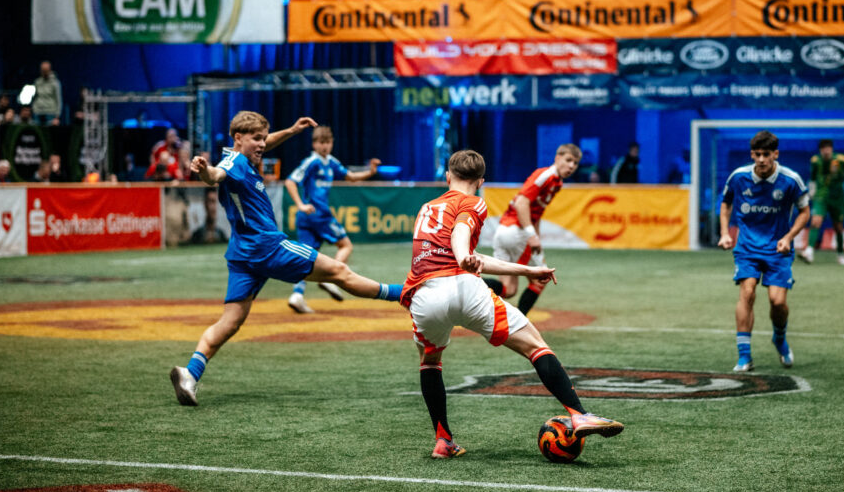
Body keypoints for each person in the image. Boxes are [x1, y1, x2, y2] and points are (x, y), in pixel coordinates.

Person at [169, 111, 402, 407]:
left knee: (230, 322)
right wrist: (204, 170)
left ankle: (190, 373)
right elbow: (215, 176)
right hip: (267, 246)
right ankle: (403, 293)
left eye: (264, 138)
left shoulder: (242, 155)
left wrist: (291, 130)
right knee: (339, 271)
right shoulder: (234, 162)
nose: (262, 144)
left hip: (242, 253)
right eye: (256, 139)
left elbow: (259, 147)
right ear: (238, 138)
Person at [401, 149, 624, 458]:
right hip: (464, 287)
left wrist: (526, 270)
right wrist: (463, 255)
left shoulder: (427, 208)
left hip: (424, 297)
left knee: (430, 362)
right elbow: (461, 234)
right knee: (535, 346)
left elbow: (460, 251)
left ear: (448, 176)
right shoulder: (474, 202)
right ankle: (579, 414)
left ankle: (444, 441)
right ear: (481, 181)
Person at [718, 130, 810, 372]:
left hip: (778, 249)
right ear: (752, 154)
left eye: (766, 154)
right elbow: (725, 203)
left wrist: (788, 237)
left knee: (777, 302)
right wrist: (725, 233)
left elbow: (805, 212)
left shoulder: (791, 180)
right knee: (747, 293)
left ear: (775, 154)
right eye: (757, 154)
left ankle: (779, 338)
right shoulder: (738, 177)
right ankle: (744, 356)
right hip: (747, 247)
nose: (761, 159)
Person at [283, 125, 381, 313]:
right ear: (314, 144)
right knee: (346, 246)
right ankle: (331, 278)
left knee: (307, 256)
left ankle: (297, 295)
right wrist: (300, 204)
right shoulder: (312, 161)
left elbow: (351, 177)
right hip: (318, 214)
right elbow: (290, 181)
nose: (325, 146)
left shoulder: (331, 162)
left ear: (332, 143)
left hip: (307, 217)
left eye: (327, 142)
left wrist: (370, 172)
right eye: (321, 142)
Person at [490, 143, 581, 315]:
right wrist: (531, 236)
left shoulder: (556, 182)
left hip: (503, 231)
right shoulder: (545, 175)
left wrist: (536, 237)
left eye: (575, 163)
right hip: (517, 232)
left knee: (508, 289)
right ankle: (518, 323)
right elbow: (521, 203)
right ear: (557, 158)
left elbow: (535, 213)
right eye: (568, 160)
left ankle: (469, 287)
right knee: (541, 280)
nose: (571, 166)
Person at [800, 139, 844, 266]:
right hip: (821, 197)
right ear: (820, 150)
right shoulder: (815, 161)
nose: (826, 151)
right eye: (823, 149)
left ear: (831, 149)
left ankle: (840, 254)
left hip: (837, 198)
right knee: (815, 221)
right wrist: (811, 191)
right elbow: (812, 178)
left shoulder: (840, 159)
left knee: (838, 227)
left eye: (828, 148)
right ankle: (809, 251)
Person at [31, 60, 62, 126]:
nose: (44, 72)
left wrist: (57, 116)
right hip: (38, 112)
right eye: (43, 70)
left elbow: (59, 99)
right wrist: (33, 109)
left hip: (50, 113)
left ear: (49, 70)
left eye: (46, 70)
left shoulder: (55, 83)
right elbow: (34, 97)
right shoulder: (37, 82)